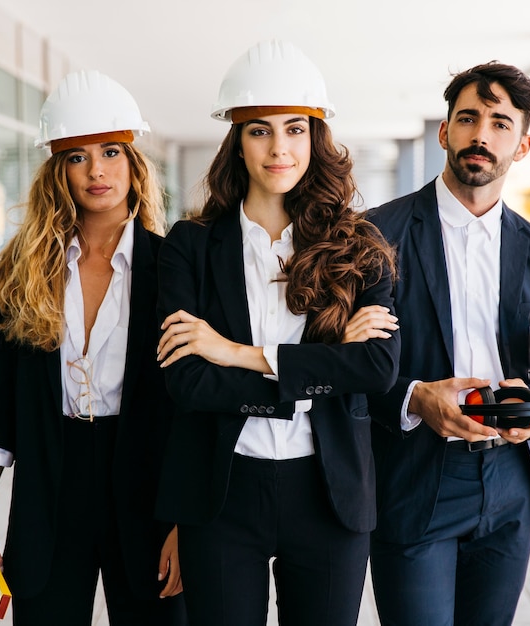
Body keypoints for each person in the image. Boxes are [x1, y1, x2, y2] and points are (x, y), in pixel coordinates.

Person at [154, 39, 400, 626]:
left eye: (295, 129)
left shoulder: (358, 246)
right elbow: (186, 380)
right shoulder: (190, 246)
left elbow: (376, 369)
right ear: (236, 141)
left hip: (328, 491)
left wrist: (235, 353)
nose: (279, 148)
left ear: (316, 139)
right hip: (222, 491)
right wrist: (321, 367)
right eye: (260, 130)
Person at [0, 70, 187, 626]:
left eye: (111, 151)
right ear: (57, 170)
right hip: (50, 486)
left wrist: (188, 523)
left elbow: (192, 408)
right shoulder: (25, 268)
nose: (97, 171)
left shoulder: (176, 264)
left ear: (135, 163)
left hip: (148, 488)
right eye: (76, 157)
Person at [366, 61, 530, 625]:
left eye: (499, 123)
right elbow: (349, 365)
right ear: (444, 132)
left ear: (523, 143)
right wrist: (414, 398)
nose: (481, 135)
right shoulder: (375, 236)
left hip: (510, 486)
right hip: (414, 478)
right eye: (467, 119)